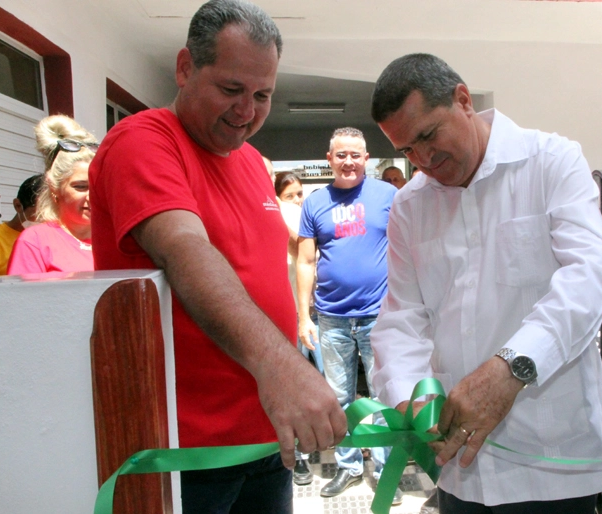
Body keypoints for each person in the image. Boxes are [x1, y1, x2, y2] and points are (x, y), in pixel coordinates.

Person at [88, 1, 347, 512]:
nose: (246, 111)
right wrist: (284, 367)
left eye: (263, 95)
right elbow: (186, 250)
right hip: (184, 451)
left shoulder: (252, 162)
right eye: (231, 89)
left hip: (266, 437)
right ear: (186, 67)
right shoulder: (144, 141)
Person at [369, 53, 602, 513]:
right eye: (406, 150)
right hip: (462, 470)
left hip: (553, 464)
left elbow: (592, 274)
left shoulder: (550, 162)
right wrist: (409, 397)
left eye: (428, 135)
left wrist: (511, 367)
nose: (423, 159)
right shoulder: (409, 206)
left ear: (463, 100)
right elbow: (401, 316)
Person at [296, 127, 400, 502]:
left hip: (379, 316)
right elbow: (306, 261)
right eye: (341, 155)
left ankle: (388, 470)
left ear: (366, 158)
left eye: (355, 155)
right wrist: (302, 316)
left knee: (382, 395)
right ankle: (349, 466)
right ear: (329, 159)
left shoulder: (388, 195)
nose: (349, 162)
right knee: (338, 398)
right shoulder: (315, 201)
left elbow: (409, 248)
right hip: (332, 317)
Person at [275, 171, 323, 485]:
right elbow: (297, 246)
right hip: (280, 315)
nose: (297, 200)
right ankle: (298, 456)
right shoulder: (272, 212)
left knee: (322, 381)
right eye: (291, 194)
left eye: (299, 193)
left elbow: (307, 254)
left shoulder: (294, 213)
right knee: (290, 386)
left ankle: (327, 439)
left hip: (311, 312)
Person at [7, 115, 98, 275]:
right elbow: (22, 298)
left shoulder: (116, 240)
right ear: (54, 187)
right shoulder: (35, 241)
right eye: (81, 186)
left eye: (98, 187)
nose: (92, 197)